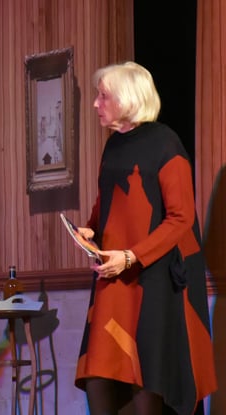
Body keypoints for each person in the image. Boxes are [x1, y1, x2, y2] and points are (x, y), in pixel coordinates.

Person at [74, 61, 217, 415]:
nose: (95, 103)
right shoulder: (113, 146)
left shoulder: (165, 144)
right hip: (114, 276)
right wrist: (91, 228)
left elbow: (181, 217)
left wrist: (131, 256)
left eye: (103, 96)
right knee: (100, 375)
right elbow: (107, 202)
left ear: (127, 98)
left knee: (145, 375)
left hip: (152, 277)